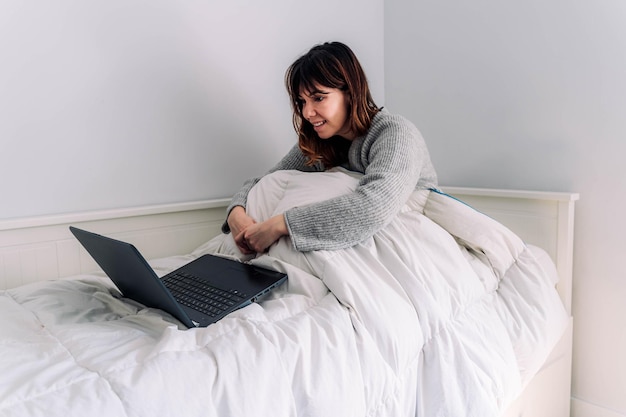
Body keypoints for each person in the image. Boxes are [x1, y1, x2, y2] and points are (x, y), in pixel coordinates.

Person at [222, 41, 437, 254]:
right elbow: (266, 180)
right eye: (302, 102)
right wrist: (236, 212)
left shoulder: (396, 134)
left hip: (413, 240)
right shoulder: (321, 142)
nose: (307, 113)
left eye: (318, 98)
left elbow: (374, 207)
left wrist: (281, 225)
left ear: (351, 93)